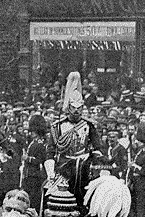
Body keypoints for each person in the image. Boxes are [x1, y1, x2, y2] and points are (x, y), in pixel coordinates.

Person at [44, 71, 103, 207]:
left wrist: (99, 166)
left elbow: (97, 149)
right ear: (68, 107)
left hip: (84, 165)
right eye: (74, 108)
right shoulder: (58, 126)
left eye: (79, 108)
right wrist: (51, 172)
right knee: (49, 193)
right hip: (64, 167)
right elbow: (51, 150)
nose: (76, 111)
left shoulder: (89, 126)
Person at [22, 115, 48, 212]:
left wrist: (27, 158)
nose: (31, 133)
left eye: (33, 131)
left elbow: (39, 160)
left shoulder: (40, 144)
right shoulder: (33, 142)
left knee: (34, 198)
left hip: (36, 175)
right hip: (29, 174)